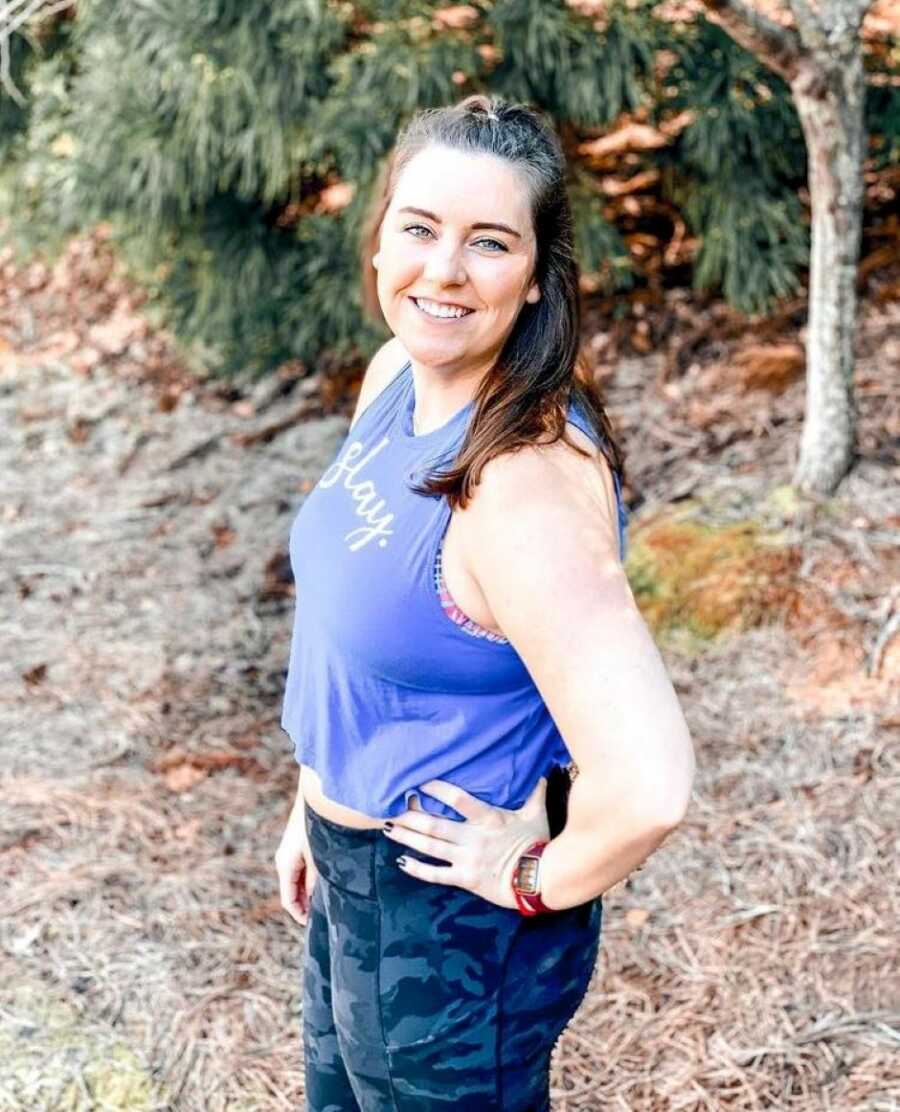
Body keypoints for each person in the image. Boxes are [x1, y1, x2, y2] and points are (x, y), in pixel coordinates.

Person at [274, 93, 696, 1111]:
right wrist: (312, 794)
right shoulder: (396, 377)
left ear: (540, 278)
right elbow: (351, 625)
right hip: (356, 871)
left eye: (490, 242)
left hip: (445, 919)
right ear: (380, 240)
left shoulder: (520, 485)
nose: (444, 270)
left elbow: (649, 784)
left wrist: (531, 876)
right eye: (419, 228)